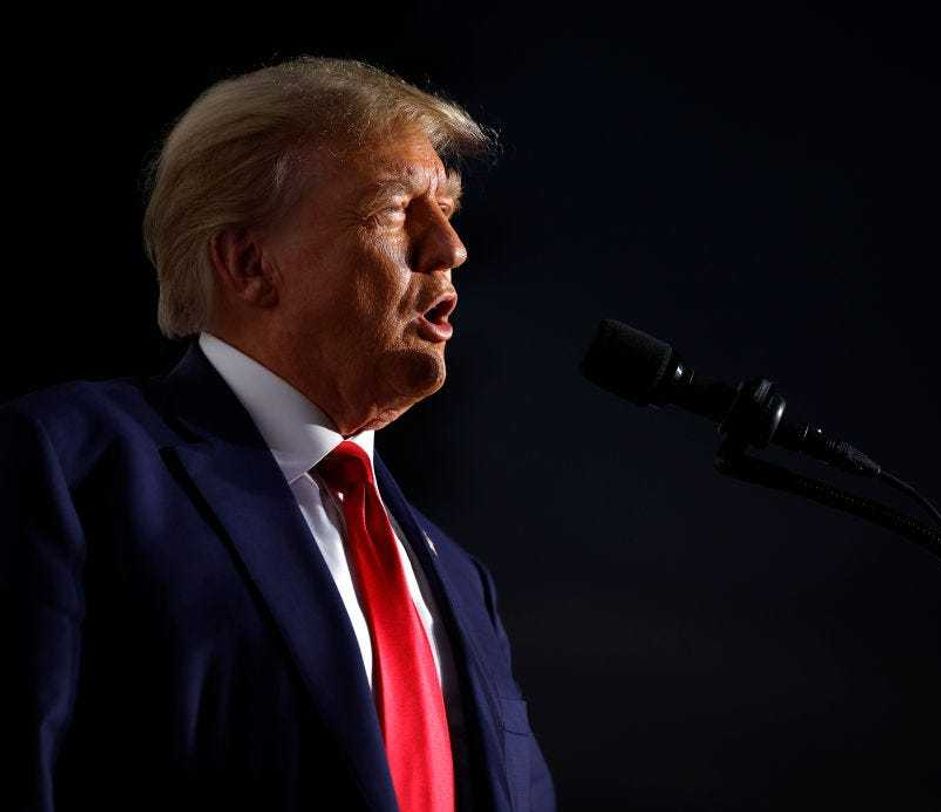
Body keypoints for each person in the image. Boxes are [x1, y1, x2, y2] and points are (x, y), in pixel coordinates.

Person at [1, 56, 555, 812]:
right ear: (251, 263)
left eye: (450, 211)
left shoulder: (458, 575)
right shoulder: (70, 465)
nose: (450, 249)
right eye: (399, 209)